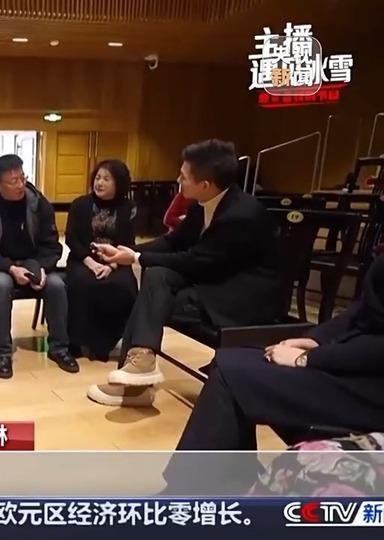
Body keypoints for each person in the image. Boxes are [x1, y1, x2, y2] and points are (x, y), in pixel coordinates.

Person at [165, 255, 384, 492]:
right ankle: (225, 484)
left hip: (370, 386)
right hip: (360, 364)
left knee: (232, 373)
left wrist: (310, 359)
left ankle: (192, 491)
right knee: (230, 361)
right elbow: (364, 309)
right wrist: (316, 339)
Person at [86, 139, 280, 407]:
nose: (178, 180)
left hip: (239, 298)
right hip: (214, 279)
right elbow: (173, 242)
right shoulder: (203, 204)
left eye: (184, 176)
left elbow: (198, 261)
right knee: (156, 278)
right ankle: (139, 368)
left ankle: (136, 382)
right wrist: (128, 252)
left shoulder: (241, 215)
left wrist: (137, 258)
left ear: (205, 184)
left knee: (151, 298)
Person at [0, 154, 75, 378]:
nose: (20, 185)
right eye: (13, 181)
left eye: (22, 178)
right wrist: (10, 268)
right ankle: (2, 352)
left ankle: (59, 348)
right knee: (2, 285)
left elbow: (51, 244)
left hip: (33, 262)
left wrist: (42, 267)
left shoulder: (38, 203)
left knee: (56, 285)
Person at [65, 160, 138, 361]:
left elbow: (128, 242)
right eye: (98, 177)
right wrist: (92, 263)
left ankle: (104, 343)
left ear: (119, 183)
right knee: (82, 283)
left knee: (123, 286)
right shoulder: (80, 204)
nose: (100, 183)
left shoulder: (128, 207)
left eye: (106, 179)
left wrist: (112, 264)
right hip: (83, 258)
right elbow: (72, 238)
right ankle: (75, 341)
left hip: (116, 259)